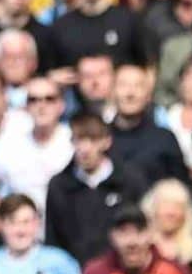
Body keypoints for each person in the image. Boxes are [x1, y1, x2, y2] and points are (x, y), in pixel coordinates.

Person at [46, 112, 150, 265]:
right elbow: (53, 239)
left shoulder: (130, 181)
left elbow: (143, 227)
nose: (85, 149)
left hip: (119, 272)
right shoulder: (59, 186)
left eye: (93, 140)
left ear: (107, 142)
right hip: (75, 273)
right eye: (79, 140)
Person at [0, 75, 72, 215]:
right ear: (26, 107)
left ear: (61, 105)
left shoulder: (74, 143)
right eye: (33, 100)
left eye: (49, 99)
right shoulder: (5, 146)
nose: (41, 105)